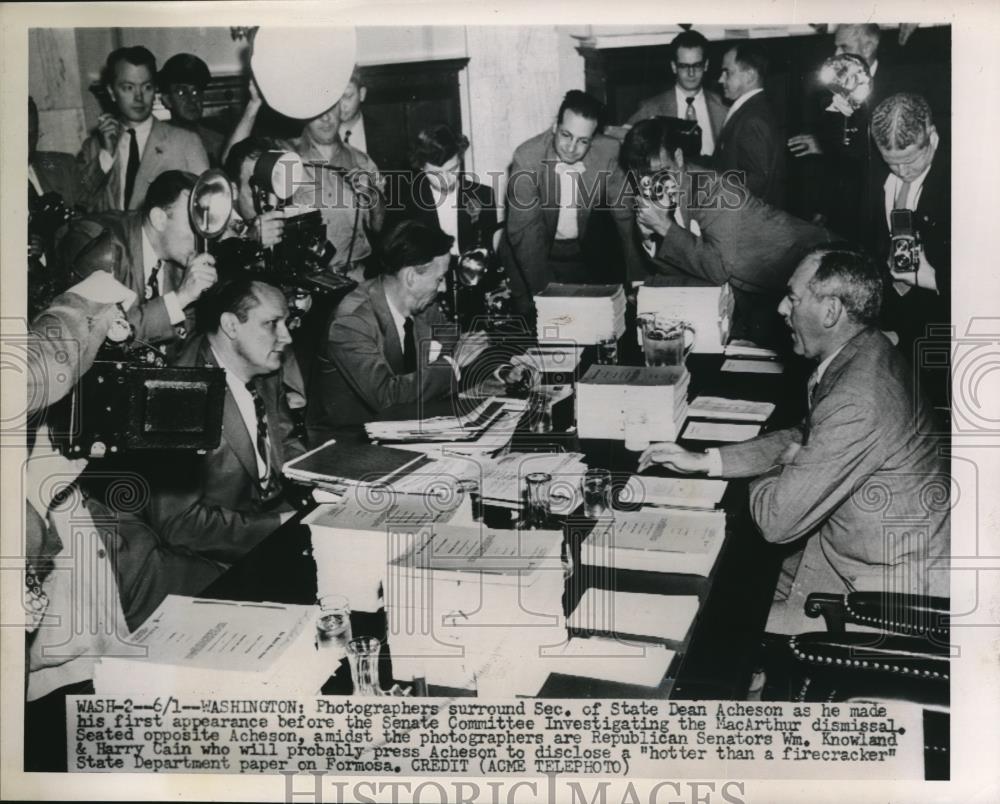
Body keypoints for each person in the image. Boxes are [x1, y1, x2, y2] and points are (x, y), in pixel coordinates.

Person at [638, 247, 949, 634]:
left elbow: (775, 522)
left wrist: (787, 464)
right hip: (857, 552)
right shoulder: (864, 350)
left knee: (707, 625)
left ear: (831, 311)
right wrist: (707, 460)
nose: (783, 309)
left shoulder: (857, 398)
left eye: (794, 298)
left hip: (886, 593)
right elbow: (805, 433)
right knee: (726, 578)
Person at [621, 117, 832, 345]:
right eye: (645, 178)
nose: (656, 184)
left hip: (822, 266)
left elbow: (717, 268)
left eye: (662, 172)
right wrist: (649, 237)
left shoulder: (716, 190)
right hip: (761, 288)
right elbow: (689, 261)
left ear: (679, 158)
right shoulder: (672, 191)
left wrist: (663, 226)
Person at [144, 277, 305, 564]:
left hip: (275, 518)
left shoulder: (264, 365)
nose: (287, 337)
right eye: (272, 323)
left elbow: (285, 442)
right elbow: (180, 524)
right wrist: (281, 526)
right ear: (231, 325)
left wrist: (327, 484)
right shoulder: (178, 393)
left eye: (287, 323)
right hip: (216, 556)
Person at [306, 220, 489, 437]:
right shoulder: (351, 322)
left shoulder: (421, 306)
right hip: (351, 442)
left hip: (404, 427)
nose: (443, 288)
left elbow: (458, 343)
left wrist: (500, 372)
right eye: (439, 279)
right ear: (411, 277)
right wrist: (454, 363)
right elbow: (387, 398)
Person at [498, 90, 642, 316]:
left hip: (580, 256)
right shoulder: (527, 158)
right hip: (529, 260)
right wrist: (549, 299)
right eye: (566, 135)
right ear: (555, 126)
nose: (572, 147)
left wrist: (637, 279)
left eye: (583, 140)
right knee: (543, 328)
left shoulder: (609, 153)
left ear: (593, 139)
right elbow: (526, 235)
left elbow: (625, 216)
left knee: (594, 327)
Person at [57, 170, 217, 354]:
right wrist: (181, 298)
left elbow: (186, 346)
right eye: (193, 223)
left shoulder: (182, 259)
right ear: (159, 219)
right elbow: (101, 338)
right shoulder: (96, 242)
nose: (202, 234)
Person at [869, 92, 950, 414]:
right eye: (892, 162)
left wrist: (934, 277)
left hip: (941, 332)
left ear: (932, 135)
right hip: (890, 323)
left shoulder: (965, 179)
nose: (903, 171)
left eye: (912, 160)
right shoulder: (872, 170)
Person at [77, 46, 208, 212]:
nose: (139, 97)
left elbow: (205, 207)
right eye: (128, 88)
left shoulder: (186, 142)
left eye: (146, 87)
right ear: (111, 92)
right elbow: (80, 205)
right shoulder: (93, 147)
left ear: (155, 90)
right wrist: (106, 156)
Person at [278, 99, 386, 279]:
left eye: (331, 109)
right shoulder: (285, 154)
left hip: (356, 277)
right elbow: (236, 161)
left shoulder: (361, 160)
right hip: (305, 281)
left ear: (340, 109)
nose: (326, 118)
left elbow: (378, 227)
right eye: (317, 112)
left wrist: (372, 193)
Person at [390, 123, 498, 256]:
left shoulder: (483, 195)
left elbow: (488, 247)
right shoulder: (407, 201)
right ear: (421, 168)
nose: (446, 180)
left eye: (452, 170)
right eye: (436, 173)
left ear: (460, 159)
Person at [625, 29, 727, 157]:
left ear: (706, 65)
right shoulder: (650, 108)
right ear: (674, 67)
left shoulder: (724, 107)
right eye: (684, 66)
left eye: (697, 65)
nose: (691, 73)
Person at [715, 41, 786, 208]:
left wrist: (715, 197)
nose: (720, 79)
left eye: (727, 72)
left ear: (749, 76)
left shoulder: (753, 119)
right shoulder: (750, 110)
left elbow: (757, 180)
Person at [158, 52, 226, 165]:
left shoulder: (217, 143)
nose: (191, 100)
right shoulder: (157, 142)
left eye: (195, 92)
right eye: (181, 92)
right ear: (167, 100)